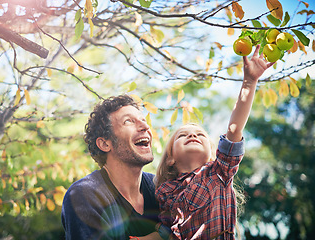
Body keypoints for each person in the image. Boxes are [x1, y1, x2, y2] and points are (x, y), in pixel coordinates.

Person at [136, 45, 275, 240]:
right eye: (182, 135)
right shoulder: (164, 191)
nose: (192, 135)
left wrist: (249, 82)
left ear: (211, 154)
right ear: (170, 159)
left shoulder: (218, 172)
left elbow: (234, 129)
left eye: (200, 135)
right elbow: (167, 232)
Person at [61, 95, 170, 240]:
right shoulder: (85, 195)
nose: (145, 126)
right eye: (128, 121)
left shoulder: (160, 188)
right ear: (105, 144)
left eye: (143, 120)